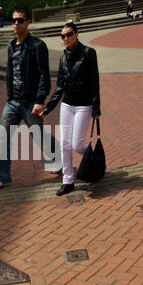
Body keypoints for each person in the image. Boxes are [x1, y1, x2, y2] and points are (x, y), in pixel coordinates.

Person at [0, 8, 51, 192]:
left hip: (30, 102)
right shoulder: (11, 46)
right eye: (13, 20)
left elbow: (45, 76)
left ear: (28, 22)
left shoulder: (38, 46)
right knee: (4, 138)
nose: (16, 24)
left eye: (20, 20)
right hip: (13, 102)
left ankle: (60, 159)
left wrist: (40, 99)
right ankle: (2, 177)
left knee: (39, 136)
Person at [37, 21, 100, 196]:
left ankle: (93, 158)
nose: (66, 38)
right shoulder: (63, 57)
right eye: (63, 36)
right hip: (67, 104)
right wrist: (49, 107)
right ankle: (68, 179)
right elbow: (60, 86)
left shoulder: (88, 53)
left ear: (76, 34)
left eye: (69, 34)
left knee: (77, 143)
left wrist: (96, 107)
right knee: (65, 143)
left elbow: (95, 82)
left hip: (84, 105)